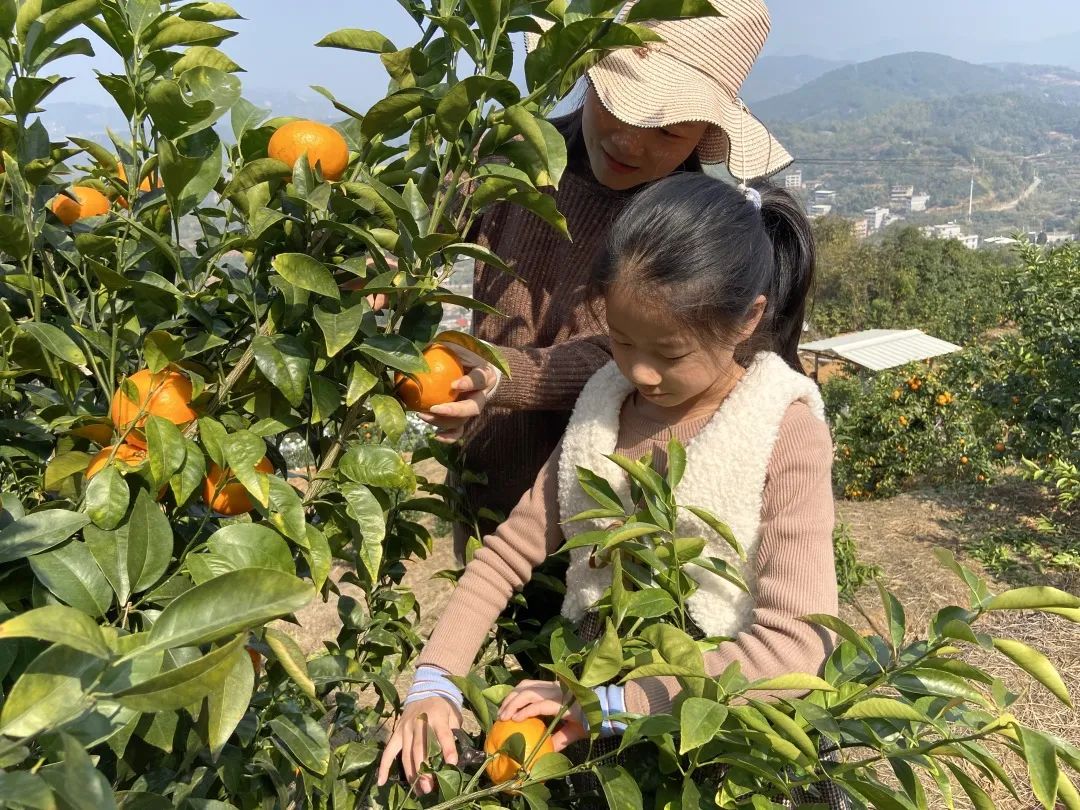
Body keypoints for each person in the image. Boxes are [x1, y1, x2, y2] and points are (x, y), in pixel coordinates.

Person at [377, 172, 838, 796]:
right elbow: (509, 553)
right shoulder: (603, 406)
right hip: (593, 737)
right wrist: (436, 682)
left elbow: (796, 644)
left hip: (720, 753)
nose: (640, 372)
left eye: (669, 353)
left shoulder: (781, 431)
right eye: (620, 341)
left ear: (746, 319)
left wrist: (614, 705)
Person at [420, 0, 794, 558]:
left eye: (668, 130)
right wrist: (389, 260)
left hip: (596, 527)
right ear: (589, 73)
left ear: (703, 135)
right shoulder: (510, 156)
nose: (632, 142)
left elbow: (637, 356)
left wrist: (503, 377)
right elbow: (432, 218)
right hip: (483, 491)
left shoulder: (681, 232)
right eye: (621, 104)